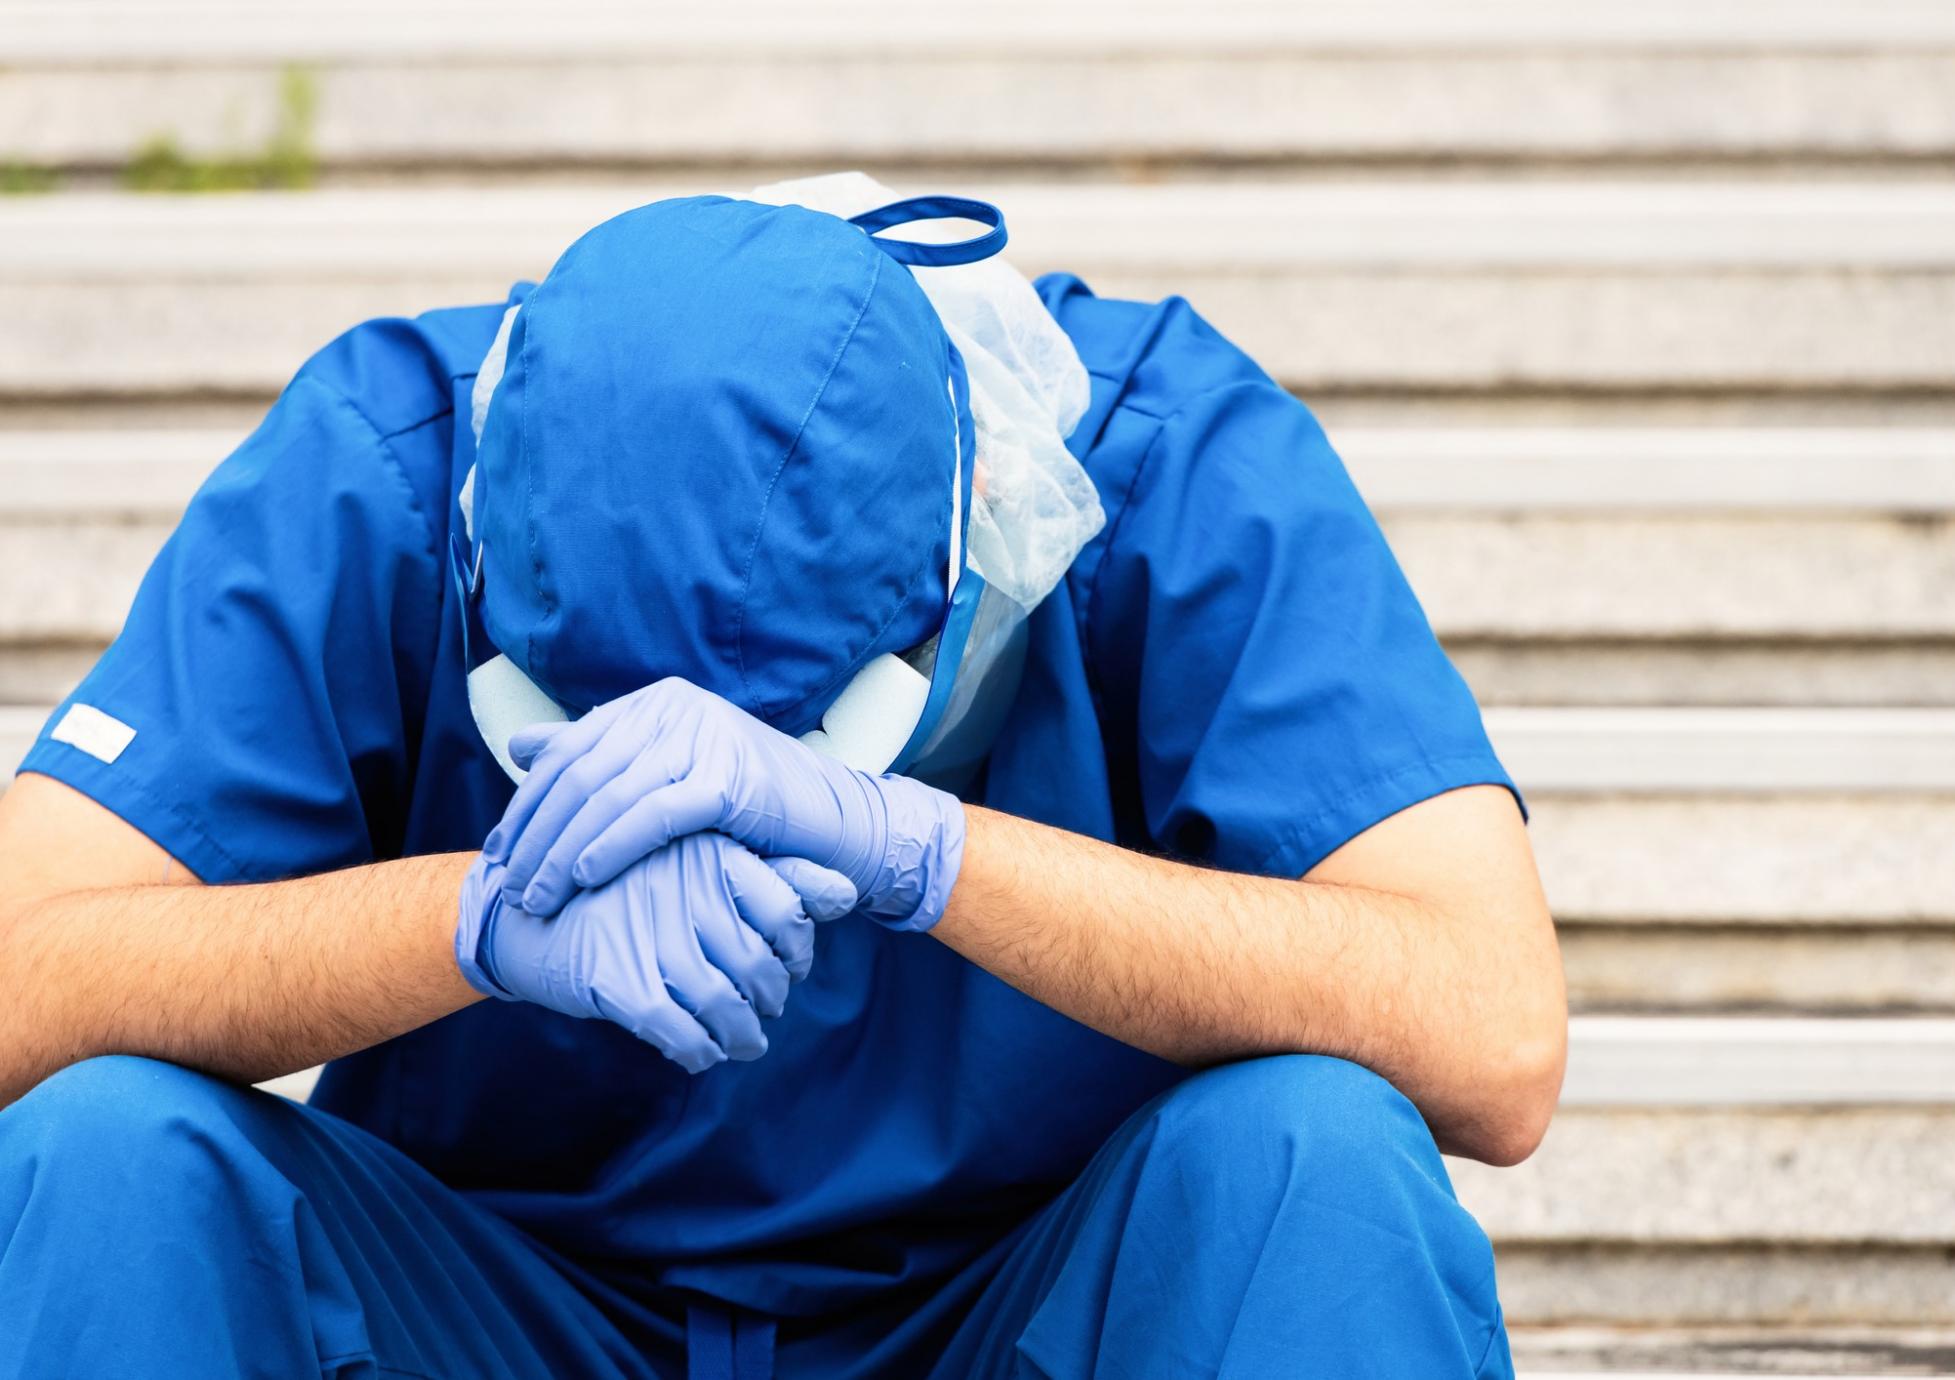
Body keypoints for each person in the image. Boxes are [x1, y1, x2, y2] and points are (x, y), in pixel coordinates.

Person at [0, 174, 1564, 1379]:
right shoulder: (385, 464)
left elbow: (1488, 1035)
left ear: (973, 571)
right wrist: (473, 920)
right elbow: (24, 971)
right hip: (498, 1301)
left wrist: (924, 851)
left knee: (1314, 1156)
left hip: (1021, 1305)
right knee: (104, 1153)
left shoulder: (1161, 463)